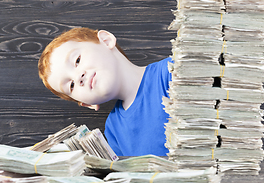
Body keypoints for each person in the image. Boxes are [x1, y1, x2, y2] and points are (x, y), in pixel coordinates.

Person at [38, 27, 172, 156]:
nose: (78, 77)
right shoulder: (113, 129)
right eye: (71, 85)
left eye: (77, 60)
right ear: (87, 104)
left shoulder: (172, 71)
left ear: (106, 41)